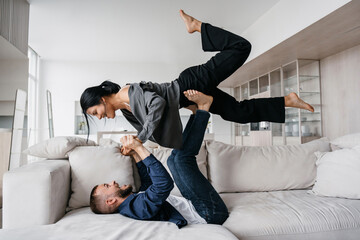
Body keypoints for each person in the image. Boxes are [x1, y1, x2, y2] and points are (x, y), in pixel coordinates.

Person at [80, 10, 314, 149]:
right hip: (191, 95)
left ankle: (198, 26)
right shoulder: (126, 110)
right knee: (238, 114)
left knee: (241, 47)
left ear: (100, 98)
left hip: (191, 82)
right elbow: (151, 129)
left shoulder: (127, 93)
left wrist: (139, 139)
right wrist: (133, 144)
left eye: (94, 111)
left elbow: (158, 105)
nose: (98, 117)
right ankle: (287, 100)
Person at [89, 91, 229, 228]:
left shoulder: (133, 203)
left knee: (173, 160)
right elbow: (163, 184)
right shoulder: (137, 209)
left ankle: (196, 113)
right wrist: (139, 147)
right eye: (107, 186)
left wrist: (135, 155)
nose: (112, 181)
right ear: (111, 200)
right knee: (181, 160)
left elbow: (148, 182)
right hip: (210, 213)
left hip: (197, 205)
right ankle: (204, 108)